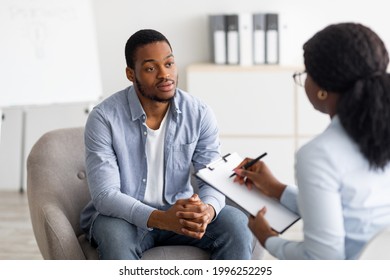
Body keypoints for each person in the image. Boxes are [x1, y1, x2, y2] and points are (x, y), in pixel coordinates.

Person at [79, 29, 253, 260]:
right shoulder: (104, 118)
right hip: (124, 218)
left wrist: (207, 211)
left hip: (179, 213)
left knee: (236, 223)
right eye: (151, 68)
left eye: (169, 64)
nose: (165, 74)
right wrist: (161, 219)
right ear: (131, 74)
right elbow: (106, 195)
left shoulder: (199, 113)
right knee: (114, 236)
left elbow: (213, 178)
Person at [234, 22, 390, 260]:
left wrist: (268, 239)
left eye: (306, 73)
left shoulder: (319, 155)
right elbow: (349, 215)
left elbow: (322, 259)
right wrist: (276, 189)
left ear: (322, 90)